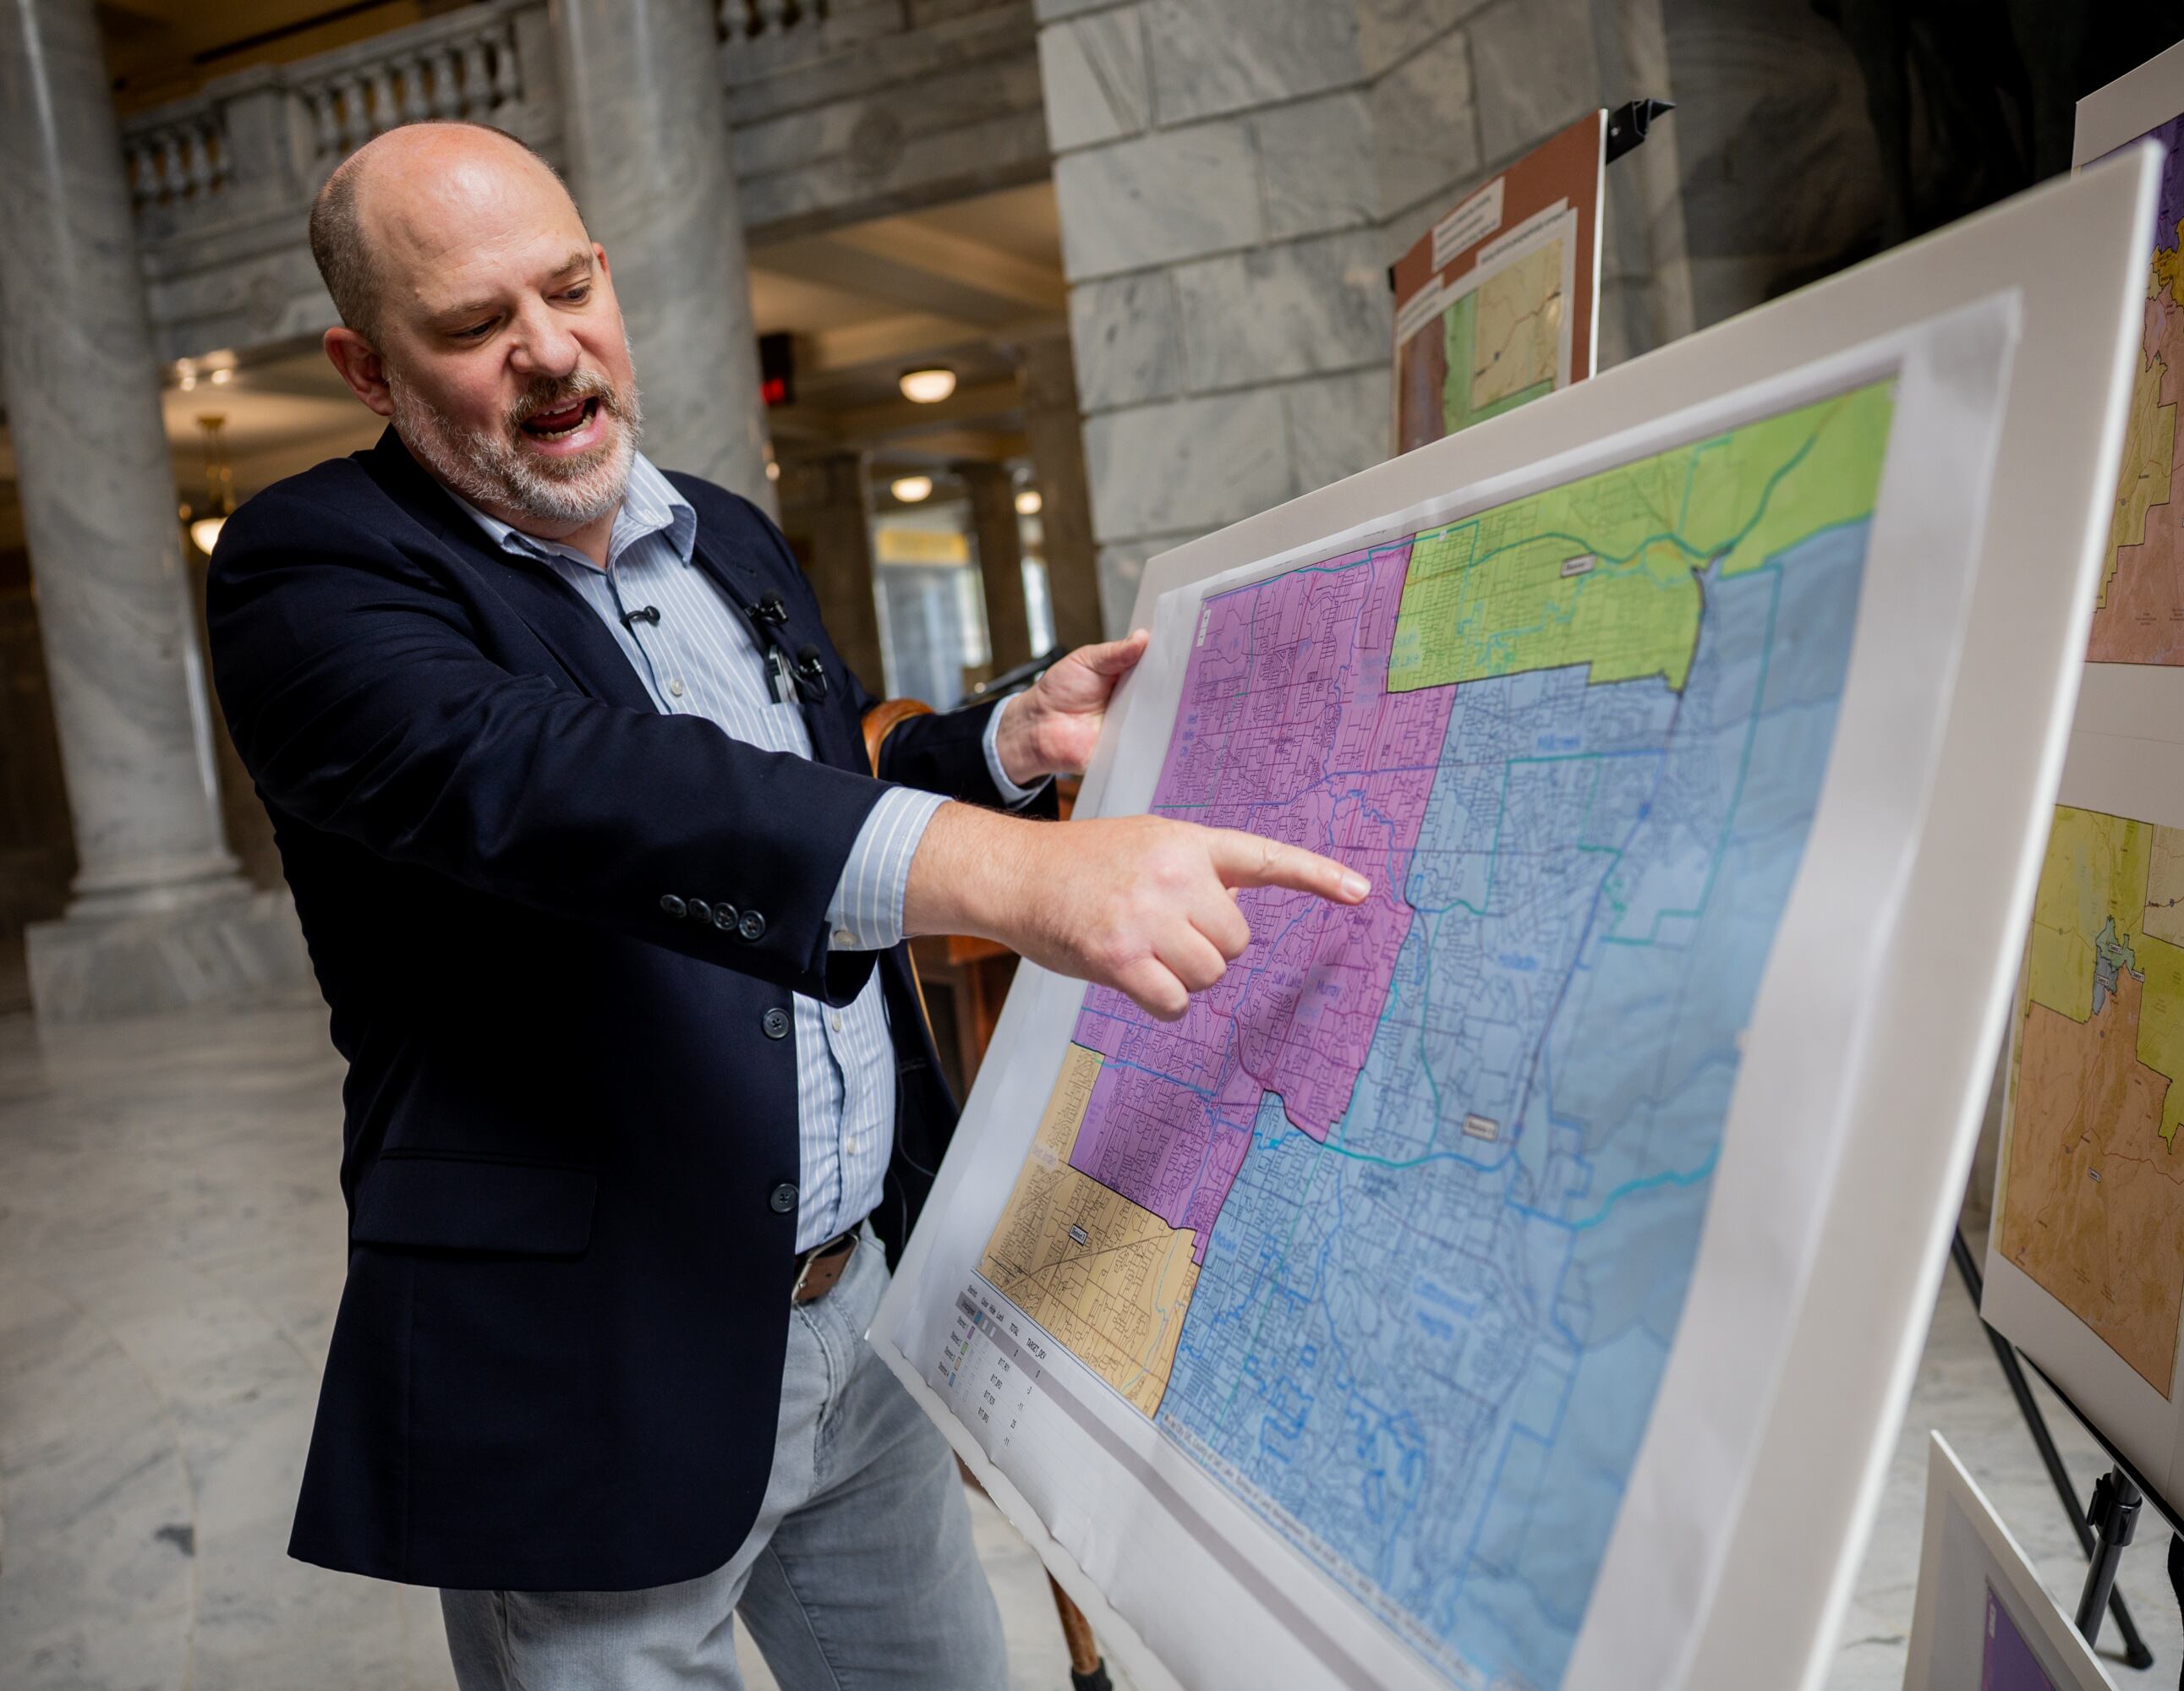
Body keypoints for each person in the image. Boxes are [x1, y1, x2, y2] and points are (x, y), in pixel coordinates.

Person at [204, 120, 1366, 1691]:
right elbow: (581, 788)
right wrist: (1019, 878)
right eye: (478, 327)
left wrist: (1001, 749)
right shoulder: (311, 569)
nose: (552, 354)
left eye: (570, 289)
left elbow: (806, 769)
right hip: (590, 1356)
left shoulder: (724, 533)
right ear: (366, 365)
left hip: (851, 1309)